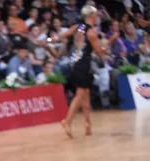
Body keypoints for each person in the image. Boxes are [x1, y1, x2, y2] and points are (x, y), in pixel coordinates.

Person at [50, 5, 119, 138]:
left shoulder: (78, 27)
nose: (97, 17)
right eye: (96, 15)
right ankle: (67, 121)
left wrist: (46, 40)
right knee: (80, 94)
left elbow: (60, 36)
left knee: (85, 93)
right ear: (92, 16)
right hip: (83, 64)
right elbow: (100, 52)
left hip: (74, 61)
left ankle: (88, 124)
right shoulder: (91, 32)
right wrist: (110, 41)